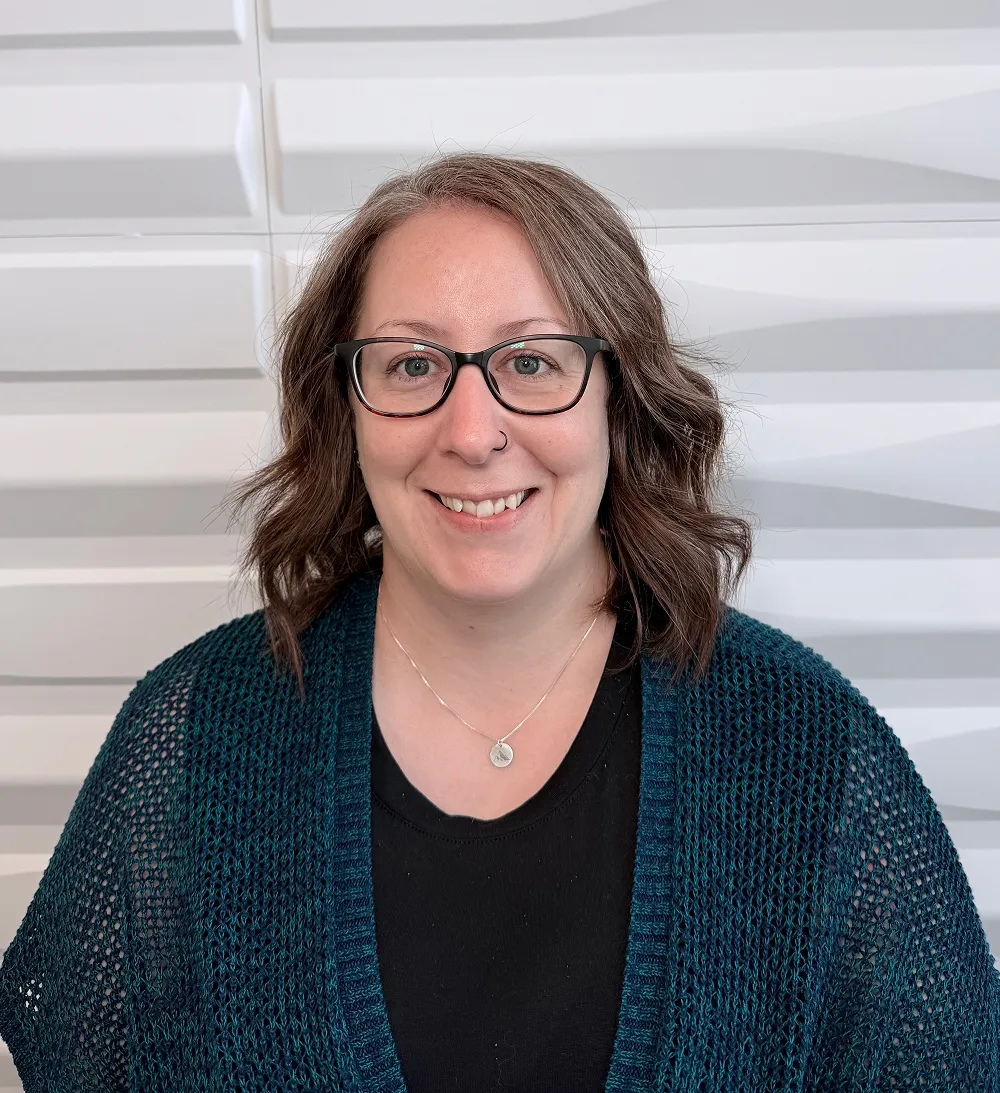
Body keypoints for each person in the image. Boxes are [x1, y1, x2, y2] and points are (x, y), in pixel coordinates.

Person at [1, 152, 997, 1093]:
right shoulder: (196, 735)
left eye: (530, 362)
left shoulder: (802, 746)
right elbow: (66, 1029)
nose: (472, 433)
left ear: (619, 396)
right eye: (409, 366)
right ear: (344, 408)